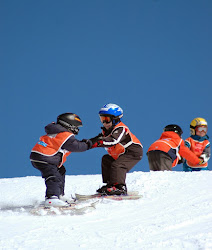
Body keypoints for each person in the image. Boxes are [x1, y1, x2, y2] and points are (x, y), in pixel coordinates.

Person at [30, 113, 92, 207]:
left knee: (60, 171)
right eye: (75, 127)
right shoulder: (64, 135)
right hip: (45, 157)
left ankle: (59, 195)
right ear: (69, 125)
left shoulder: (56, 132)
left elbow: (71, 144)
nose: (77, 130)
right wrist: (88, 144)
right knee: (53, 176)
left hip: (39, 156)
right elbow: (76, 146)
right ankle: (52, 198)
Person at [89, 103, 143, 196]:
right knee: (106, 159)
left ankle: (120, 187)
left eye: (107, 120)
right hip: (121, 153)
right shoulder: (106, 132)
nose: (104, 123)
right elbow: (96, 140)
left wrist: (98, 143)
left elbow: (113, 140)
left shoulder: (121, 129)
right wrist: (87, 143)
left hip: (132, 152)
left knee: (118, 165)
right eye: (102, 120)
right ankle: (110, 184)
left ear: (115, 119)